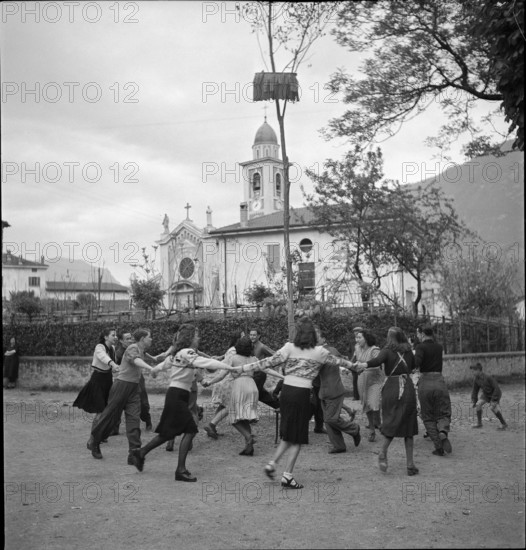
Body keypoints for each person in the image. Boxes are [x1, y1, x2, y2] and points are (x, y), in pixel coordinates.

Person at [239, 317, 354, 489]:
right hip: (301, 395)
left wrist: (242, 368)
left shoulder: (288, 347)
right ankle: (287, 476)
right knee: (297, 437)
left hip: (286, 393)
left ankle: (272, 464)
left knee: (289, 434)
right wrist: (358, 365)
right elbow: (340, 362)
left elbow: (266, 362)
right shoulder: (319, 352)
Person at [129, 324, 237, 482]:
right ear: (190, 337)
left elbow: (163, 365)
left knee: (168, 433)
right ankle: (180, 470)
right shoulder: (187, 352)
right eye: (196, 335)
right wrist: (231, 367)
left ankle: (140, 453)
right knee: (191, 429)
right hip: (177, 396)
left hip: (177, 395)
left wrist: (154, 371)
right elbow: (206, 363)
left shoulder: (178, 354)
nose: (198, 338)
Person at [355, 326, 419, 476]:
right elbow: (414, 366)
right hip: (407, 387)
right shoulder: (408, 351)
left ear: (390, 338)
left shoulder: (387, 351)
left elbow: (376, 361)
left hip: (391, 388)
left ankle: (383, 452)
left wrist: (363, 364)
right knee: (408, 424)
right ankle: (410, 464)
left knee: (391, 421)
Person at [88, 328, 156, 461]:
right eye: (149, 337)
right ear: (142, 339)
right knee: (109, 417)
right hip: (122, 386)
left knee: (133, 419)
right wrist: (151, 368)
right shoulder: (132, 348)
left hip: (134, 388)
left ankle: (134, 453)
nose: (151, 339)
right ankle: (94, 442)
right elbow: (135, 361)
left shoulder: (141, 349)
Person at [316, 328, 361, 453]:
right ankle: (339, 445)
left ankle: (354, 428)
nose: (314, 339)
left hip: (333, 390)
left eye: (317, 336)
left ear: (324, 338)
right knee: (328, 419)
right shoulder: (324, 351)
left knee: (331, 419)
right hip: (325, 391)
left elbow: (340, 362)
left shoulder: (325, 352)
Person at [73, 328, 118, 447]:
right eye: (113, 335)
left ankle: (101, 435)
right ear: (106, 337)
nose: (115, 337)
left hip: (108, 380)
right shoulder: (100, 347)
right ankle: (92, 439)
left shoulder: (112, 348)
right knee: (100, 411)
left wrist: (115, 367)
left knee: (108, 411)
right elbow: (103, 357)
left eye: (116, 335)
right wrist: (113, 364)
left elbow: (112, 364)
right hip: (97, 381)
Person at [415, 325, 452, 455]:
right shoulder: (439, 347)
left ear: (422, 334)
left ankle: (438, 446)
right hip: (439, 381)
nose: (417, 336)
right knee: (443, 412)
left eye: (418, 334)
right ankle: (443, 431)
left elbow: (416, 363)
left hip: (425, 382)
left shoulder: (420, 347)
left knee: (428, 416)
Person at [202, 330, 244, 440]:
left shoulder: (232, 350)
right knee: (230, 406)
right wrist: (210, 381)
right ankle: (211, 425)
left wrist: (219, 357)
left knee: (223, 406)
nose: (246, 337)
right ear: (238, 338)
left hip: (225, 381)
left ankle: (213, 426)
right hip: (228, 381)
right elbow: (227, 367)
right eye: (243, 336)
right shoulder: (234, 351)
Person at [111, 330, 153, 436]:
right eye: (127, 339)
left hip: (137, 379)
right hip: (124, 381)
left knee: (142, 402)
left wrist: (154, 358)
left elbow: (142, 353)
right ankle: (114, 428)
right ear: (121, 341)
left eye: (131, 338)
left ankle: (147, 421)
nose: (130, 340)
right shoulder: (120, 353)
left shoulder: (136, 347)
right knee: (118, 405)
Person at [354, 329, 383, 442]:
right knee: (366, 403)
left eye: (359, 337)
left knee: (374, 402)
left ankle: (379, 423)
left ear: (366, 338)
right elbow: (357, 362)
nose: (357, 340)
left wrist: (363, 366)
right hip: (362, 378)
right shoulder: (357, 348)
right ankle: (371, 427)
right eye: (356, 338)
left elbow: (378, 364)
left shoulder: (374, 349)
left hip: (375, 379)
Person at [249, 328, 280, 410]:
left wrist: (268, 363)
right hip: (252, 374)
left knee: (253, 394)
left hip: (260, 374)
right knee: (261, 395)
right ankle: (280, 406)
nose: (252, 337)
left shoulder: (262, 347)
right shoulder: (249, 345)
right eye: (251, 335)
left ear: (259, 336)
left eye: (254, 335)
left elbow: (275, 355)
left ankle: (250, 416)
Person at [470, 363, 508, 430]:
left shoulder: (488, 377)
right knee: (478, 404)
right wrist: (474, 400)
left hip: (495, 393)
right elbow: (475, 391)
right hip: (486, 395)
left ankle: (504, 424)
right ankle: (479, 423)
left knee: (493, 408)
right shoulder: (476, 379)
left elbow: (496, 388)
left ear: (478, 370)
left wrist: (494, 400)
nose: (472, 373)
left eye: (473, 371)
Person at [349, 327, 363, 401]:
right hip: (354, 363)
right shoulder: (352, 342)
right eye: (354, 331)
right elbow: (350, 352)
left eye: (357, 331)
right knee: (355, 380)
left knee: (361, 380)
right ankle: (356, 396)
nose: (355, 333)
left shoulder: (363, 342)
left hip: (361, 363)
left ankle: (362, 395)